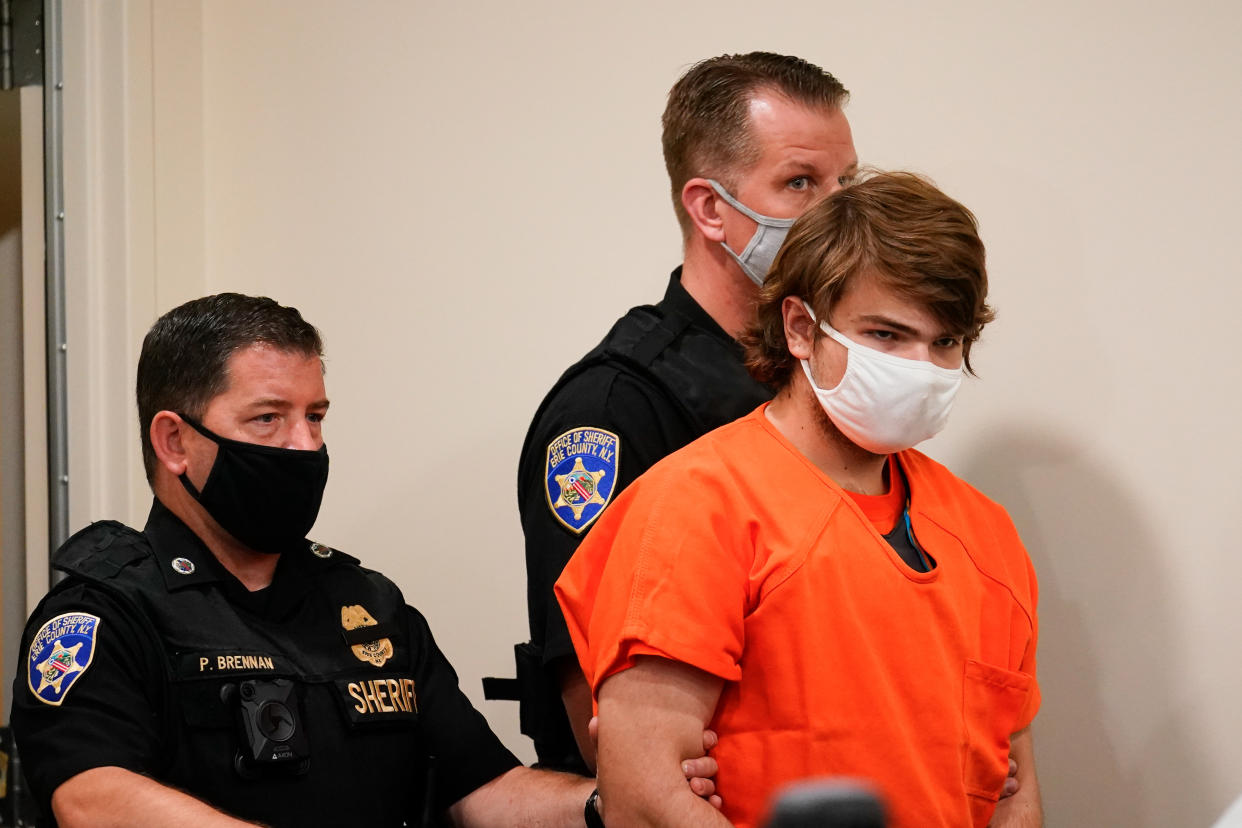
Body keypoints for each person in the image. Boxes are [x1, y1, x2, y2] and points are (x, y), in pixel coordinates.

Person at [10, 293, 715, 827]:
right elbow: (91, 795)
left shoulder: (367, 604)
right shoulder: (105, 613)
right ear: (174, 442)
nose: (304, 446)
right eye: (267, 418)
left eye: (314, 416)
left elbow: (483, 790)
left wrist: (612, 801)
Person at [556, 172, 1044, 828]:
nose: (921, 368)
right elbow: (645, 798)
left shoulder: (985, 536)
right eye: (886, 335)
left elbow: (1013, 791)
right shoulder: (696, 507)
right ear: (800, 328)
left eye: (946, 342)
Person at [512, 51, 858, 775]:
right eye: (801, 184)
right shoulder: (615, 411)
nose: (838, 215)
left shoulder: (827, 376)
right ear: (709, 209)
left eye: (845, 184)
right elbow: (595, 702)